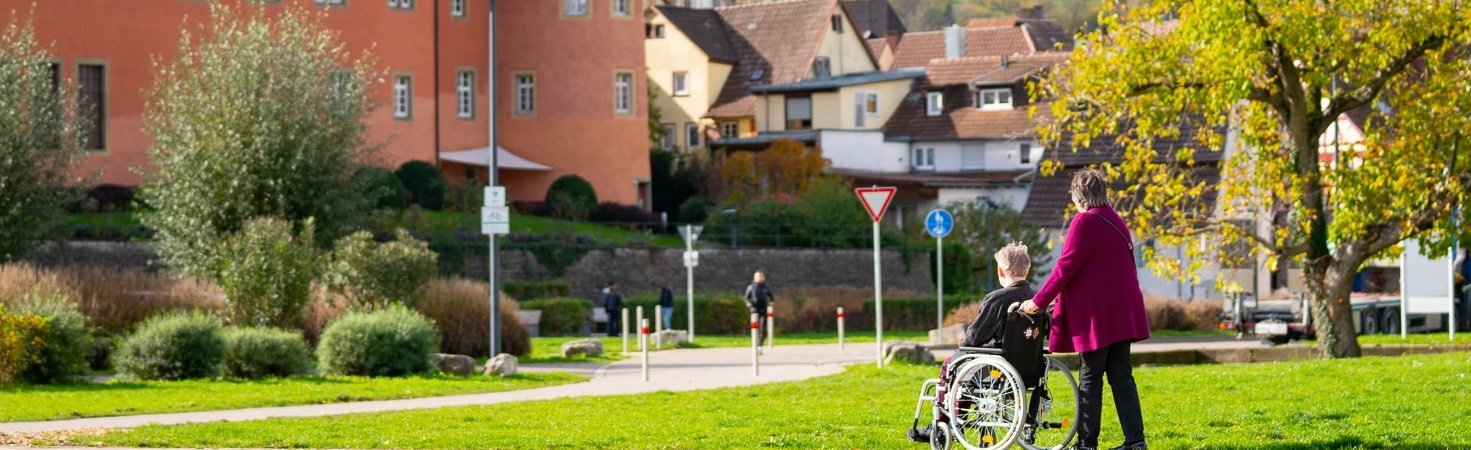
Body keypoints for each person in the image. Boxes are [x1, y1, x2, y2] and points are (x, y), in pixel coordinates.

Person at [1020, 169, 1150, 450]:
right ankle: (1136, 441)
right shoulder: (1115, 219)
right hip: (1122, 309)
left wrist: (1037, 302)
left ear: (1078, 196)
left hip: (1099, 315)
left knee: (1091, 377)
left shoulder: (1085, 221)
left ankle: (1087, 444)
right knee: (1121, 376)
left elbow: (1065, 267)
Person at [919, 244, 1038, 442]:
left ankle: (946, 423)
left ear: (1000, 271)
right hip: (1027, 367)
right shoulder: (1035, 298)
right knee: (966, 365)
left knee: (951, 364)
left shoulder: (997, 299)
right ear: (1027, 269)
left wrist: (965, 343)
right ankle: (956, 422)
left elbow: (975, 337)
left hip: (996, 367)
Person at [744, 270, 774, 351]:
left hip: (763, 309)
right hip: (754, 309)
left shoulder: (766, 287)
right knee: (755, 328)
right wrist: (748, 303)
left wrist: (771, 302)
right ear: (755, 277)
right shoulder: (751, 287)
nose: (760, 278)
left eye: (762, 276)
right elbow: (746, 298)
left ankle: (760, 345)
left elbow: (771, 296)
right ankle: (755, 343)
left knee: (762, 328)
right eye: (759, 276)